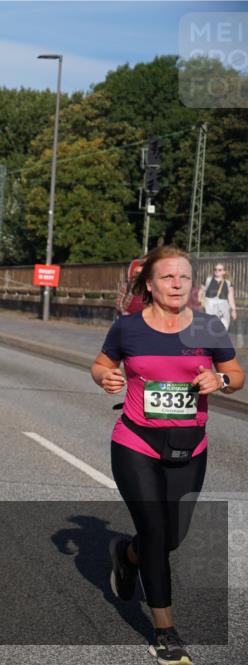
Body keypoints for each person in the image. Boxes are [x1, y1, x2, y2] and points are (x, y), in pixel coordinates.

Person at [91, 245, 243, 665]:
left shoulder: (209, 327)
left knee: (172, 537)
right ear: (150, 284)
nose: (177, 284)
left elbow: (236, 375)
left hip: (191, 447)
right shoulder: (128, 328)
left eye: (184, 278)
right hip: (136, 442)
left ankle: (127, 555)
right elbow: (101, 364)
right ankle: (165, 631)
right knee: (157, 533)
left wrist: (221, 380)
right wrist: (107, 376)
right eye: (167, 277)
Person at [199, 262, 237, 330]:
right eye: (215, 269)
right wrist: (200, 303)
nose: (217, 271)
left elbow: (231, 298)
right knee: (210, 327)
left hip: (223, 307)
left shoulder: (228, 283)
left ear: (224, 272)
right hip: (209, 306)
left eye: (219, 270)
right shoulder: (208, 280)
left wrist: (233, 310)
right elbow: (200, 292)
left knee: (224, 326)